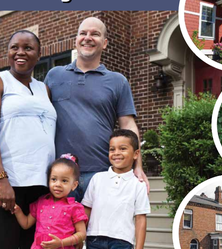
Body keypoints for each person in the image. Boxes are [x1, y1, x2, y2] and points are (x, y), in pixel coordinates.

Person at [0, 30, 56, 249]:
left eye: (28, 48)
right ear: (8, 52)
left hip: (40, 186)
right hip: (8, 185)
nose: (20, 52)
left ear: (39, 54)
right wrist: (1, 180)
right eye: (15, 47)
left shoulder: (43, 88)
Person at [45, 17, 149, 201]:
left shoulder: (118, 81)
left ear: (105, 43)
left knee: (99, 230)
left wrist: (137, 166)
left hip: (101, 173)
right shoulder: (54, 75)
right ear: (75, 40)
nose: (88, 38)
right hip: (62, 175)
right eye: (83, 33)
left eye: (95, 34)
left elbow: (128, 125)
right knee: (62, 230)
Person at [82, 129, 151, 249]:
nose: (116, 153)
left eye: (123, 148)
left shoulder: (138, 185)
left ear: (136, 154)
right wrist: (80, 235)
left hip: (121, 246)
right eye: (112, 149)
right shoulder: (97, 179)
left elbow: (140, 219)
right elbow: (86, 210)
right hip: (94, 242)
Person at [13, 154, 88, 249]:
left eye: (64, 181)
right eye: (54, 179)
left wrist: (62, 243)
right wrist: (18, 211)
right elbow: (26, 224)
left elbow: (82, 234)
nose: (58, 184)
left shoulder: (74, 208)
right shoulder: (40, 202)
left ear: (74, 185)